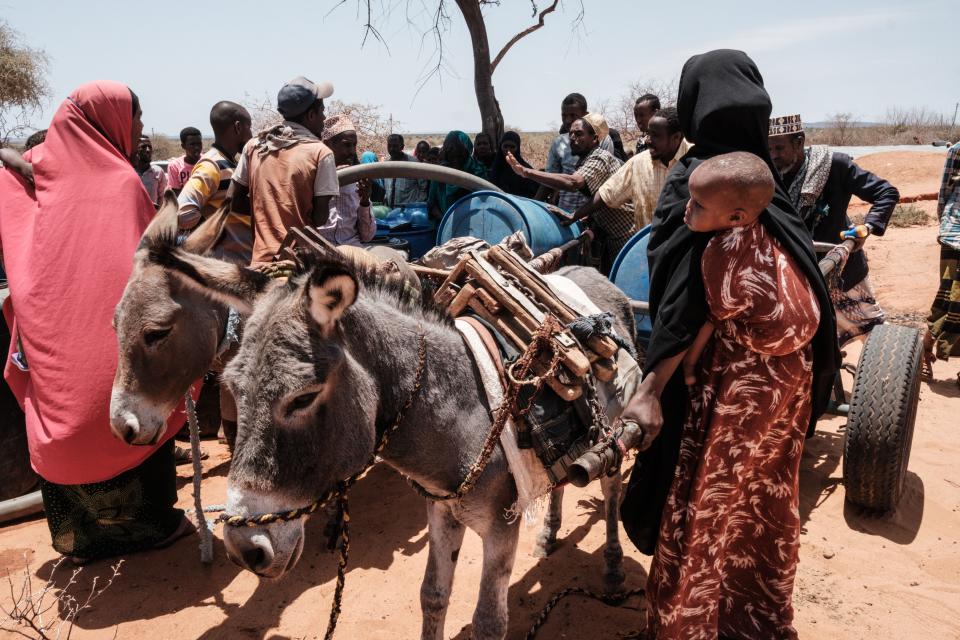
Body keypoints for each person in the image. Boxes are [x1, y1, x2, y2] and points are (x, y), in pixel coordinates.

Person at [618, 49, 840, 639]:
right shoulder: (768, 186)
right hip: (785, 398)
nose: (690, 211)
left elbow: (682, 303)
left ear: (692, 106)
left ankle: (687, 622)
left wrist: (652, 387)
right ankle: (753, 617)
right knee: (761, 505)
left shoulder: (702, 185)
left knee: (703, 505)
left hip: (718, 396)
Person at [0, 81, 193, 562]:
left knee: (65, 410)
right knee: (142, 396)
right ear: (110, 120)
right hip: (109, 353)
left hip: (57, 363)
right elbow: (142, 275)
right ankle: (153, 526)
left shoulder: (38, 180)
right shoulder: (123, 183)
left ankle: (80, 536)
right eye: (136, 117)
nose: (142, 127)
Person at [768, 114, 899, 344]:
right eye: (769, 149)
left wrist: (867, 227)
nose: (774, 155)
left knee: (874, 339)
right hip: (796, 276)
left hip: (842, 273)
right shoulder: (769, 175)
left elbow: (886, 192)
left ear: (799, 142)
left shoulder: (834, 166)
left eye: (779, 148)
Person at [230, 76, 340, 267]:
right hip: (300, 263)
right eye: (322, 112)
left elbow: (233, 199)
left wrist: (266, 211)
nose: (324, 118)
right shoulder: (321, 153)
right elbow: (320, 218)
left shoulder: (254, 146)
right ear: (311, 116)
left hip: (261, 262)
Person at [506, 113, 635, 273]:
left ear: (595, 139)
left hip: (627, 234)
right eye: (571, 133)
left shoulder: (599, 158)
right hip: (613, 233)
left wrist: (526, 172)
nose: (572, 138)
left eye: (579, 134)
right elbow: (600, 196)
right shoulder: (586, 160)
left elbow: (573, 183)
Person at [574, 107, 690, 230]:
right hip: (648, 245)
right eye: (648, 134)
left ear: (676, 137)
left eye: (655, 136)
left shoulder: (698, 160)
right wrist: (574, 216)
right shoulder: (637, 163)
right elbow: (606, 194)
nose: (648, 141)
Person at [177, 101, 254, 263]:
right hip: (226, 267)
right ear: (238, 127)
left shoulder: (230, 163)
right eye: (249, 127)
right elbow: (183, 213)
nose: (251, 134)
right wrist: (217, 235)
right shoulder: (211, 165)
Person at [542, 92, 616, 212]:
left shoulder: (602, 140)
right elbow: (550, 179)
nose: (567, 120)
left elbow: (606, 183)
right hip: (565, 211)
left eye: (573, 115)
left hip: (594, 213)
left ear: (585, 115)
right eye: (564, 116)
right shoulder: (558, 143)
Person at [925, 139, 960, 377]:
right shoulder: (957, 150)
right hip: (956, 234)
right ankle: (924, 350)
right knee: (947, 299)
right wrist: (944, 225)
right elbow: (945, 191)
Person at [317, 114, 376, 247]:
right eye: (346, 145)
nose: (352, 152)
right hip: (321, 251)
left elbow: (367, 236)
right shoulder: (313, 178)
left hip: (353, 251)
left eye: (354, 145)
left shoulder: (357, 182)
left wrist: (365, 201)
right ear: (327, 145)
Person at [427, 130, 489, 219]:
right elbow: (432, 204)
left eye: (459, 153)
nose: (455, 157)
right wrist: (446, 220)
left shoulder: (478, 171)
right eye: (451, 151)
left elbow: (486, 201)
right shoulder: (440, 174)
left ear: (468, 150)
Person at [488, 131, 538, 198]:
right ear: (500, 147)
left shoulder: (525, 169)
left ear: (518, 148)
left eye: (512, 147)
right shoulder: (494, 166)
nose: (508, 150)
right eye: (505, 146)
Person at [383, 133, 427, 206]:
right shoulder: (386, 166)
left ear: (402, 147)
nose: (392, 149)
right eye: (389, 146)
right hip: (391, 212)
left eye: (395, 146)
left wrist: (416, 207)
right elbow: (387, 190)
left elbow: (423, 188)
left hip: (409, 213)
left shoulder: (414, 164)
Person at [167, 126, 203, 195]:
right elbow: (176, 193)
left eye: (199, 144)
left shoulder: (207, 162)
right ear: (183, 146)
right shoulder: (175, 166)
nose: (197, 148)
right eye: (192, 144)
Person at [134, 135, 167, 207]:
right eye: (143, 147)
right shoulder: (130, 172)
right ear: (135, 149)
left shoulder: (158, 171)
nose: (148, 150)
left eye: (150, 147)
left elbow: (162, 196)